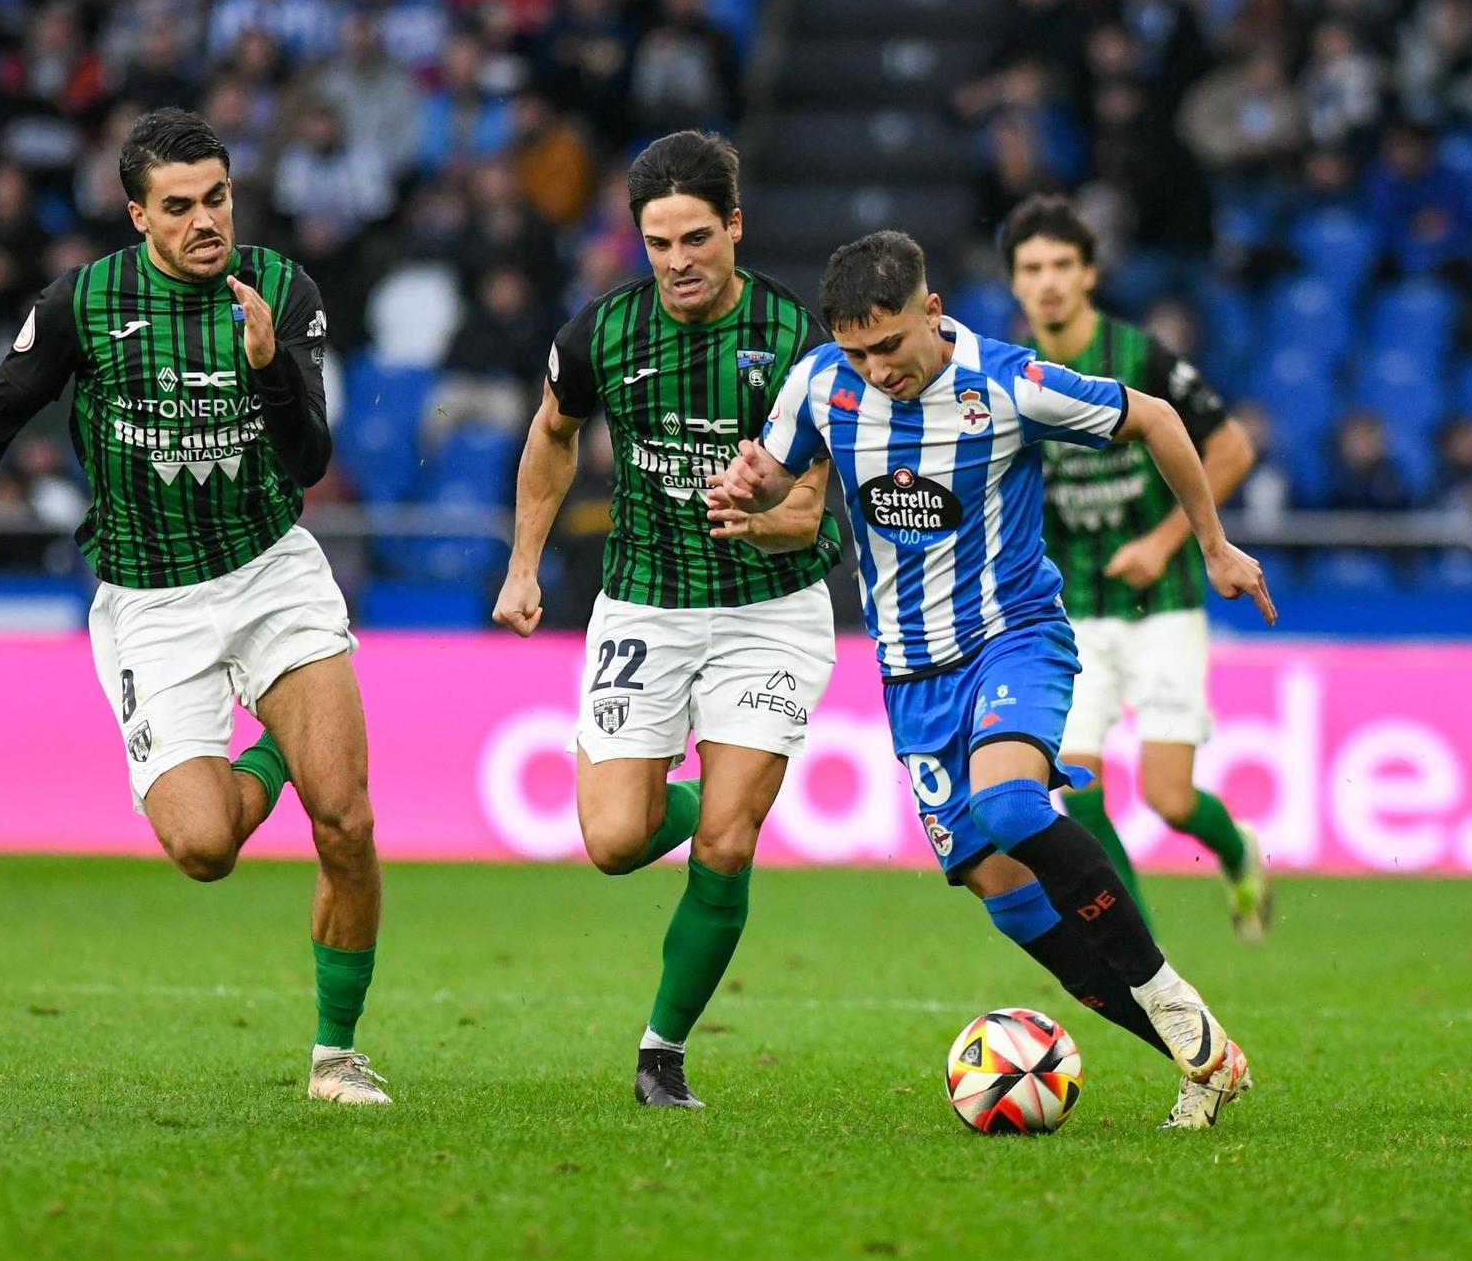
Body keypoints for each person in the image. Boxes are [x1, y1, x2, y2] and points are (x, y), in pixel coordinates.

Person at [710, 231, 1276, 1129]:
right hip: (911, 678)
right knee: (1014, 909)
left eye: (890, 344)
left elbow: (1160, 418)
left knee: (1013, 806)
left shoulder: (1009, 384)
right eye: (858, 350)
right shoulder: (823, 381)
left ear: (932, 311)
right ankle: (1199, 1053)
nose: (877, 368)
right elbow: (779, 479)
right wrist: (748, 490)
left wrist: (1211, 543)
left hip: (1014, 640)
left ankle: (1170, 993)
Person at [0, 108, 388, 1105]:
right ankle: (281, 744)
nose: (206, 221)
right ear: (137, 215)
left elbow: (311, 459)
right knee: (204, 848)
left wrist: (268, 368)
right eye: (180, 206)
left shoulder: (282, 290)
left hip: (270, 570)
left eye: (218, 198)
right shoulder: (87, 300)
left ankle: (336, 1055)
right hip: (149, 597)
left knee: (347, 819)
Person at [493, 131, 842, 1110]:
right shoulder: (599, 333)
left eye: (696, 237)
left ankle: (661, 1052)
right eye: (658, 244)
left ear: (734, 225)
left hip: (769, 609)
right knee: (614, 839)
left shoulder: (797, 342)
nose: (678, 261)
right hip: (643, 598)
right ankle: (695, 802)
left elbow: (811, 515)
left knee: (727, 843)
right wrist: (524, 565)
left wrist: (757, 515)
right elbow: (552, 433)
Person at [1000, 194, 1271, 940]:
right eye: (1032, 269)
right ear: (1014, 284)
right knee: (1078, 793)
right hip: (1067, 612)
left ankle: (1236, 848)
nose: (1048, 281)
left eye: (1062, 265)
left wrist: (1161, 541)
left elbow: (1233, 449)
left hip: (1162, 606)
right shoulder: (1006, 374)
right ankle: (1144, 958)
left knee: (1169, 798)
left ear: (1088, 274)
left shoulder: (1139, 356)